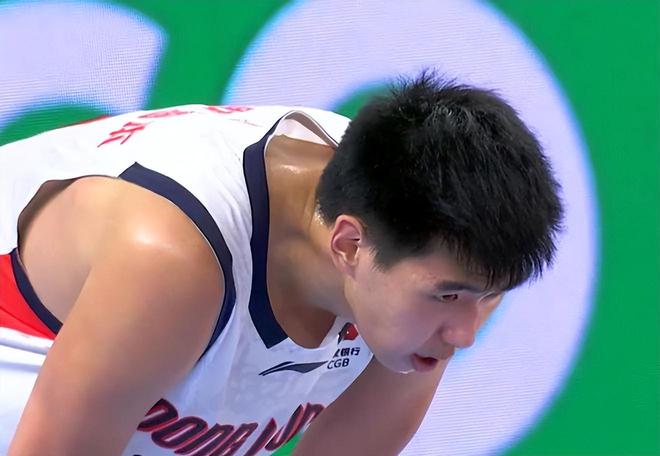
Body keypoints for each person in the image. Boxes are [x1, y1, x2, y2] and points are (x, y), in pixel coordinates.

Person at [0, 72, 563, 456]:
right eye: (449, 296)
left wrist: (458, 296)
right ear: (349, 246)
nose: (464, 334)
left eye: (490, 295)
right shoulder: (171, 261)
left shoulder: (438, 252)